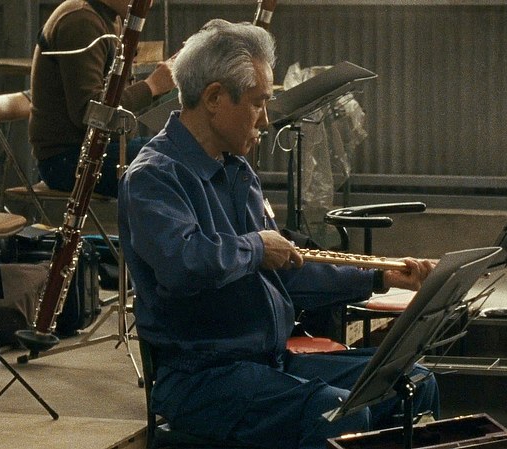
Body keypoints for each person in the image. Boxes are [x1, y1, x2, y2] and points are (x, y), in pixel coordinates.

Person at [118, 20, 439, 449]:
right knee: (339, 412)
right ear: (214, 98)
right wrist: (256, 248)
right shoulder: (154, 176)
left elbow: (286, 270)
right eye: (258, 103)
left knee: (415, 382)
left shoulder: (237, 170)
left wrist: (381, 277)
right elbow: (184, 265)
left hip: (267, 363)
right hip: (202, 378)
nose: (266, 120)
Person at [29, 0, 175, 197]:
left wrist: (160, 86)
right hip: (66, 160)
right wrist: (152, 86)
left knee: (183, 150)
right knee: (176, 161)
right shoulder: (81, 21)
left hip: (95, 149)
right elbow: (89, 114)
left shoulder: (108, 17)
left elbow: (112, 100)